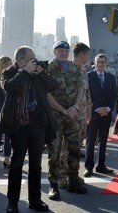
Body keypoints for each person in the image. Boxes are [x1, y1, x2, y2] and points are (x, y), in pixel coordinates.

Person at [0, 46, 58, 213]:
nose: (35, 60)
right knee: (16, 165)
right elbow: (8, 87)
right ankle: (13, 202)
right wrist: (24, 72)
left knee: (36, 165)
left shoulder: (37, 73)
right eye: (31, 58)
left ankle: (35, 200)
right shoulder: (9, 72)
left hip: (38, 124)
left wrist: (41, 72)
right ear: (21, 60)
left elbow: (53, 86)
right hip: (19, 125)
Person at [47, 41, 88, 200]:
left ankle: (73, 182)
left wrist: (76, 107)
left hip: (72, 114)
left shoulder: (73, 67)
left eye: (66, 50)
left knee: (74, 149)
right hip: (56, 115)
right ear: (55, 51)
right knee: (55, 151)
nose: (64, 53)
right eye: (61, 50)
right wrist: (63, 110)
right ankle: (54, 185)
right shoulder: (49, 69)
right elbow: (47, 94)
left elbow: (80, 88)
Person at [58, 42, 91, 189]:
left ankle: (74, 174)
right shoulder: (69, 68)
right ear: (81, 54)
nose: (87, 57)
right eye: (86, 54)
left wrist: (89, 111)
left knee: (77, 145)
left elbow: (86, 91)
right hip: (71, 113)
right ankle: (62, 176)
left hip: (83, 114)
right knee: (66, 146)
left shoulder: (84, 69)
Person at [84, 54, 117, 177]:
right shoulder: (88, 76)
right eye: (99, 62)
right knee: (90, 141)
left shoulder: (111, 77)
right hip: (93, 114)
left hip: (106, 115)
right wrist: (97, 108)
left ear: (106, 63)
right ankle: (88, 167)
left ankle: (101, 165)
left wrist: (108, 108)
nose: (101, 64)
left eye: (103, 62)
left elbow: (113, 95)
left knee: (103, 141)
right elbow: (87, 95)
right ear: (95, 63)